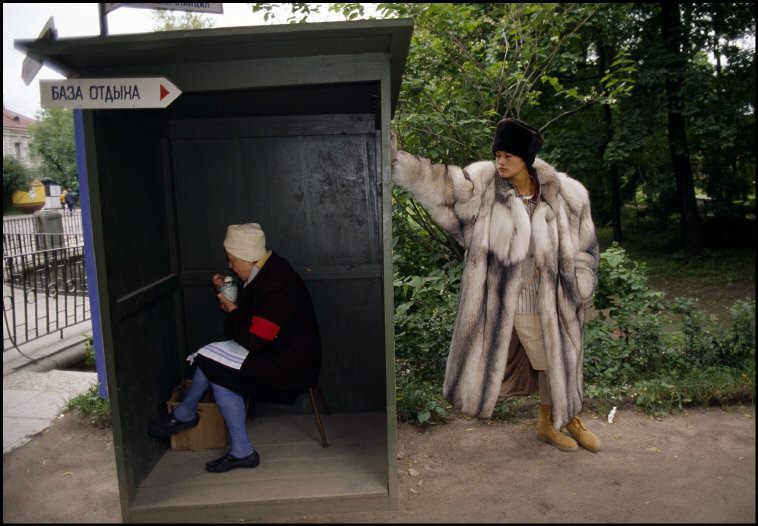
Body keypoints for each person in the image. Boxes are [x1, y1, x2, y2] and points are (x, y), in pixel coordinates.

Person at [390, 118, 601, 453]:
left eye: (509, 156)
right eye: (498, 154)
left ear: (527, 159)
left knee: (563, 359)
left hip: (556, 298)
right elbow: (442, 185)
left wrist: (580, 283)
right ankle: (555, 419)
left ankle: (559, 419)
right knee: (550, 359)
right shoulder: (485, 186)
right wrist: (400, 163)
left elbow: (586, 247)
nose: (500, 162)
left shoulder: (566, 196)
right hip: (510, 299)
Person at [148, 223, 322, 472]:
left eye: (232, 260)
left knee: (216, 369)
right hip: (280, 351)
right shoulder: (271, 267)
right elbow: (260, 315)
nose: (230, 266)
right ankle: (208, 429)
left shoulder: (276, 286)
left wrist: (232, 311)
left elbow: (254, 338)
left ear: (246, 258)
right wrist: (228, 293)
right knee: (211, 362)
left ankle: (199, 424)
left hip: (291, 365)